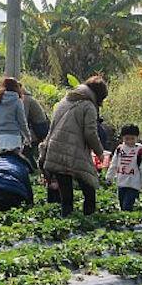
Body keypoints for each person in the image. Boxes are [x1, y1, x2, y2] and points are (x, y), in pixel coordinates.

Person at [39, 76, 107, 217]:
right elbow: (90, 133)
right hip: (75, 153)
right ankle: (89, 221)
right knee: (89, 189)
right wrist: (100, 152)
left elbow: (52, 127)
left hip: (55, 150)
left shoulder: (64, 101)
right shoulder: (88, 106)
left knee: (66, 195)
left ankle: (67, 221)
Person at [106, 124, 142, 211]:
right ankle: (126, 222)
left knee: (127, 206)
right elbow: (114, 164)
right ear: (122, 138)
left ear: (137, 138)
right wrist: (109, 177)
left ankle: (128, 222)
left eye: (132, 139)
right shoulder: (119, 149)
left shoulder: (140, 151)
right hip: (121, 183)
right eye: (127, 139)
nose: (129, 141)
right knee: (122, 204)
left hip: (133, 184)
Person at [0, 78, 31, 151]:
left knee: (3, 158)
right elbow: (22, 121)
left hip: (0, 135)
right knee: (15, 159)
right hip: (15, 136)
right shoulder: (17, 101)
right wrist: (28, 136)